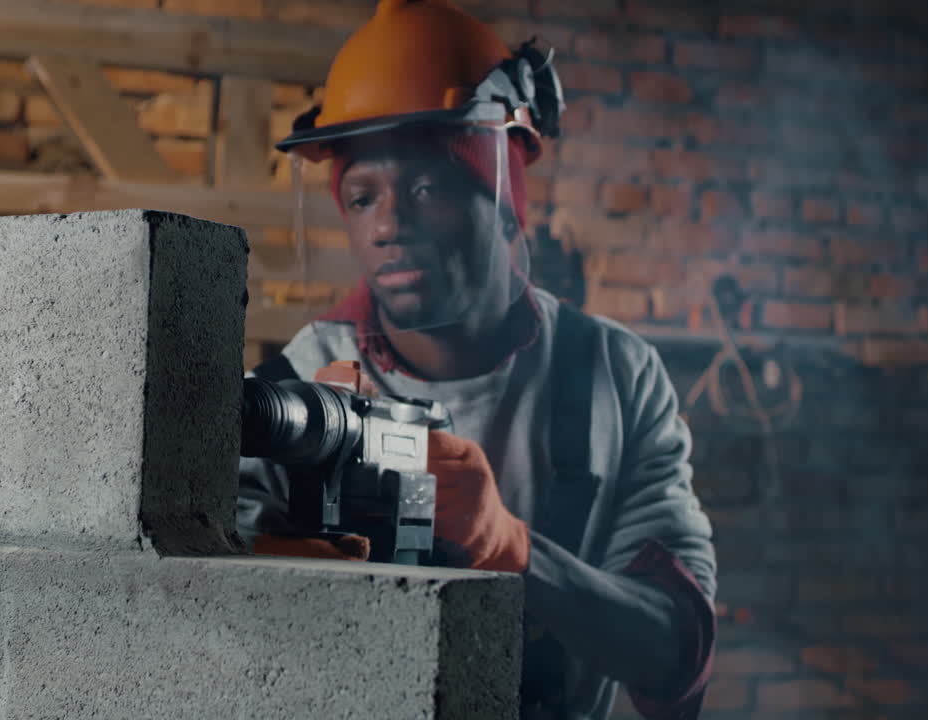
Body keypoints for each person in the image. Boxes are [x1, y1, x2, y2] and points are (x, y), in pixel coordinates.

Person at [236, 1, 717, 718]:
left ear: (502, 199)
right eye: (362, 197)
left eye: (428, 187)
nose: (390, 224)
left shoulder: (614, 377)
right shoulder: (293, 391)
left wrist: (514, 549)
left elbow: (676, 651)